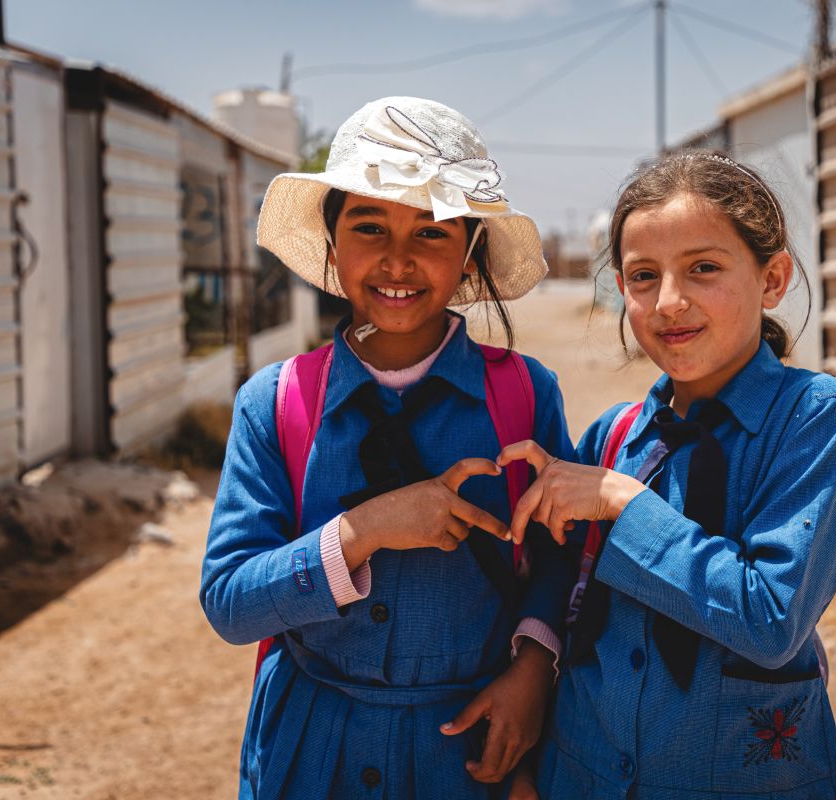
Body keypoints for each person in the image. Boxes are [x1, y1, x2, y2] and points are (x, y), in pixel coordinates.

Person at [200, 97, 576, 799]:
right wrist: (363, 532)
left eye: (431, 234)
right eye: (369, 226)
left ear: (469, 253)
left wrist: (532, 670)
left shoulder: (525, 395)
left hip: (467, 752)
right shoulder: (276, 403)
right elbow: (229, 600)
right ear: (332, 243)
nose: (397, 260)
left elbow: (561, 563)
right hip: (312, 751)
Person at [500, 151, 836, 799]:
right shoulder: (613, 436)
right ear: (623, 290)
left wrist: (626, 503)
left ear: (774, 279)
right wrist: (533, 676)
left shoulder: (814, 420)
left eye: (704, 268)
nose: (670, 302)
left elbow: (771, 620)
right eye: (645, 276)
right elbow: (562, 583)